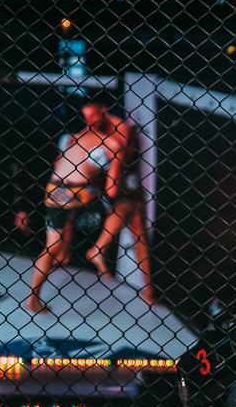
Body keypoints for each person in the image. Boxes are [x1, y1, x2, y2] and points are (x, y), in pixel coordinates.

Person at [26, 98, 126, 313]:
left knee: (52, 246)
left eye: (90, 115)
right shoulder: (113, 144)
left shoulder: (75, 137)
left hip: (53, 190)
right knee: (126, 207)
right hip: (77, 194)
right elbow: (112, 190)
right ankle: (97, 250)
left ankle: (33, 297)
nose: (89, 120)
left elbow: (59, 164)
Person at [88, 111, 155, 305]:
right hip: (101, 194)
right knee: (130, 210)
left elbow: (127, 183)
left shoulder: (127, 153)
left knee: (139, 230)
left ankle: (149, 289)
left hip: (122, 195)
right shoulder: (102, 147)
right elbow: (107, 186)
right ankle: (98, 249)